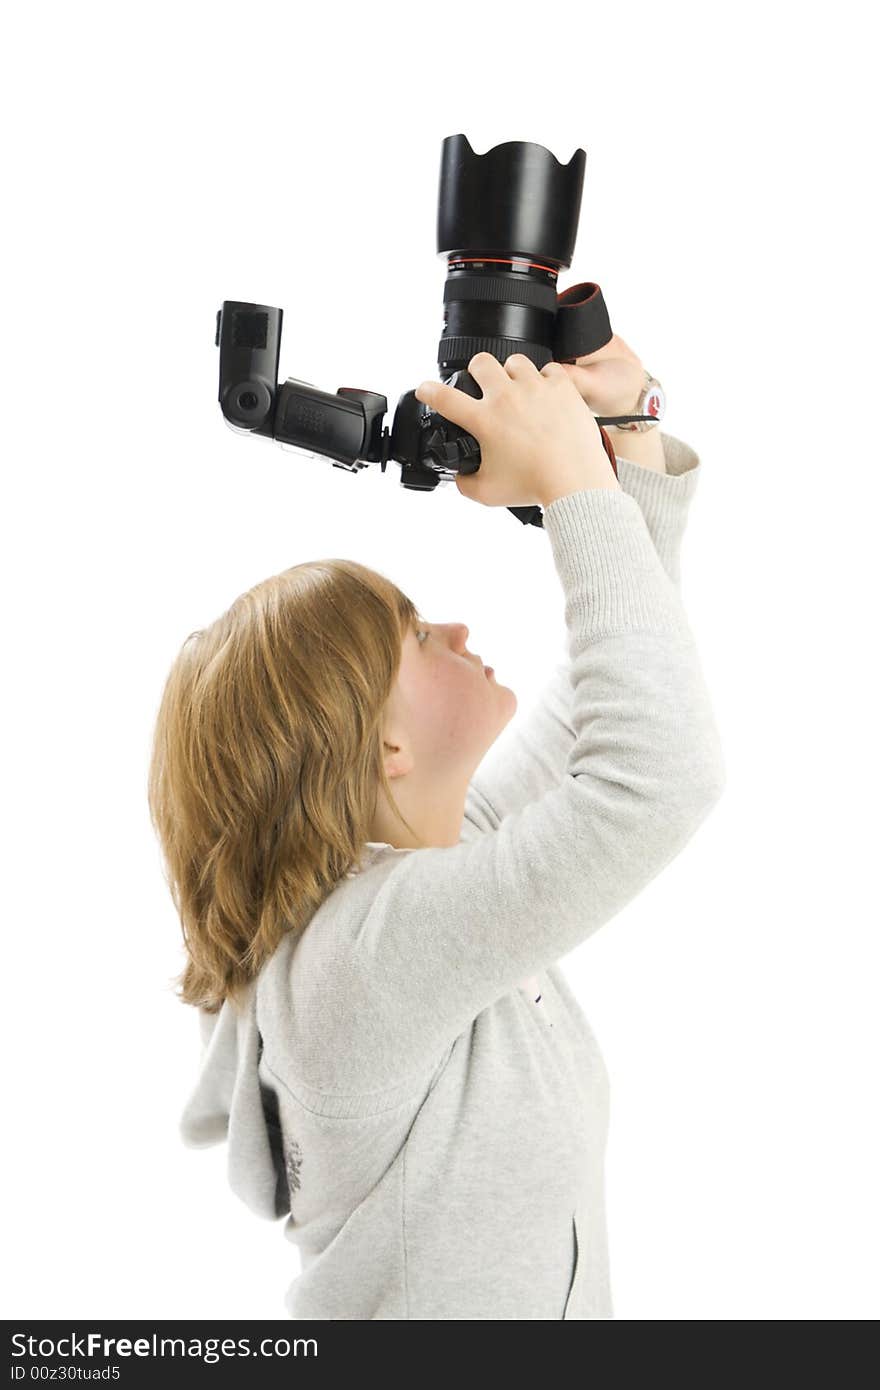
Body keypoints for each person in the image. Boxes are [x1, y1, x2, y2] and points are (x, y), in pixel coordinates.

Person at [152, 341, 726, 1319]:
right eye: (415, 637)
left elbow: (615, 708)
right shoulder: (366, 956)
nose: (456, 631)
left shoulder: (422, 897)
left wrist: (623, 441)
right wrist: (571, 485)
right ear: (381, 750)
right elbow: (654, 775)